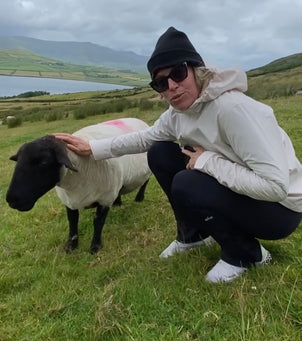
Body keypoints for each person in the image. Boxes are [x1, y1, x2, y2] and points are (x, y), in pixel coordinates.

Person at [55, 26, 302, 283]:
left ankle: (246, 254)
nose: (172, 86)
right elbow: (143, 138)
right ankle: (193, 236)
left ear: (196, 70)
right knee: (160, 152)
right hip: (246, 191)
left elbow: (275, 187)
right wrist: (92, 148)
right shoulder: (178, 114)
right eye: (161, 82)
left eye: (178, 73)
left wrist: (207, 161)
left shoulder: (233, 110)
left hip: (280, 211)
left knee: (189, 181)